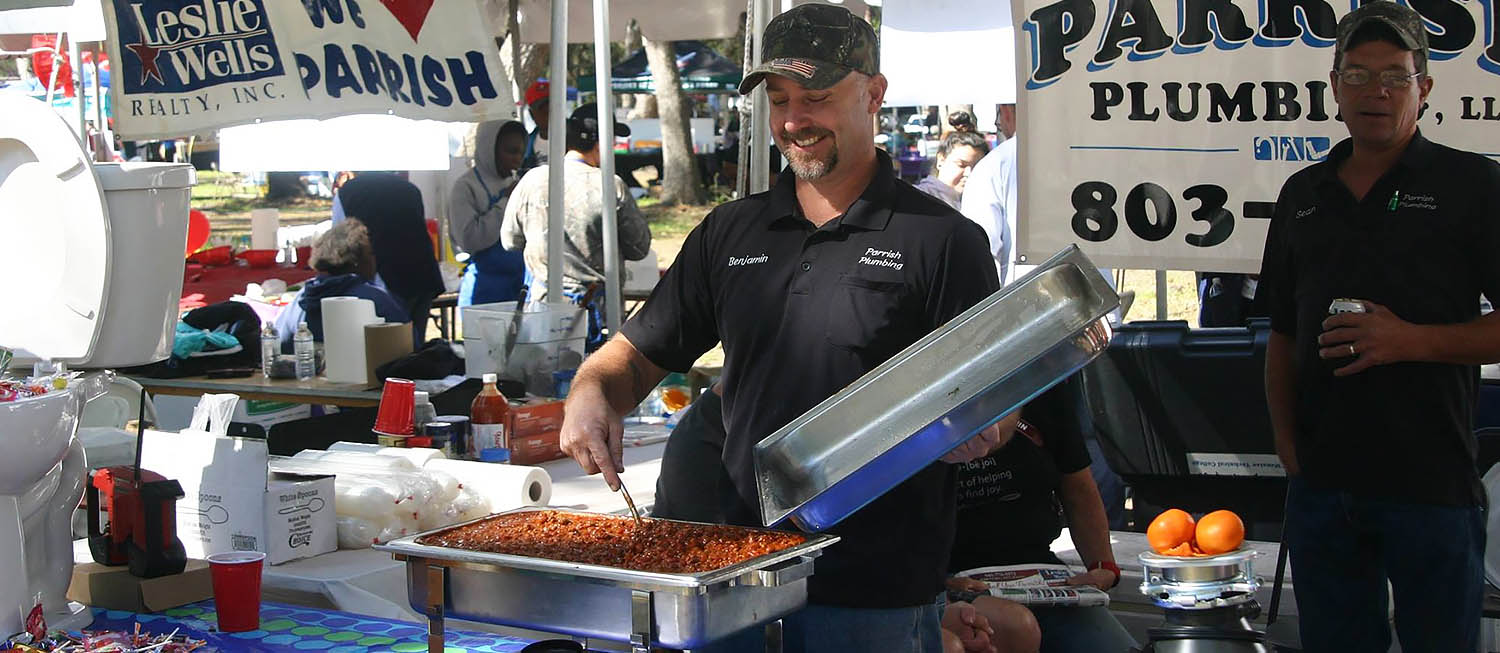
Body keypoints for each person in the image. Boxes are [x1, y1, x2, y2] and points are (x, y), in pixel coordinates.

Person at [557, 6, 1006, 652]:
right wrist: (592, 390)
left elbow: (1000, 401)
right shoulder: (730, 231)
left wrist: (986, 426)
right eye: (779, 99)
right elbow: (635, 353)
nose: (795, 120)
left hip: (873, 601)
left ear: (874, 94)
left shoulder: (942, 241)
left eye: (816, 98)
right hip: (738, 582)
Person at [1258, 3, 1500, 650]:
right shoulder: (1303, 194)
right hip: (1323, 489)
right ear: (1334, 87)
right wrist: (1288, 446)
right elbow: (1281, 333)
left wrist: (1411, 340)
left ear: (1424, 88)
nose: (1377, 91)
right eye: (1359, 75)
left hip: (1432, 485)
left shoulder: (1473, 185)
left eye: (1395, 74)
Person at [946, 380, 1136, 653]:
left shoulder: (1043, 386)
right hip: (947, 577)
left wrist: (1104, 566)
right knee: (1015, 626)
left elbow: (1078, 486)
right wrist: (936, 586)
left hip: (1039, 573)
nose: (986, 446)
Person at [502, 102, 652, 348]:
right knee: (593, 383)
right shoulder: (609, 185)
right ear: (600, 142)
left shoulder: (533, 180)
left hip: (541, 310)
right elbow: (639, 247)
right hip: (598, 312)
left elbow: (510, 241)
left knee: (543, 383)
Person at [337, 172, 445, 348]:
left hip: (384, 278)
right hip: (422, 273)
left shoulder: (347, 192)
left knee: (390, 350)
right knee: (414, 346)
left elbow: (340, 241)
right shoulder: (409, 189)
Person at [275, 219, 409, 351]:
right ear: (359, 261)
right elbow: (409, 349)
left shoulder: (299, 299)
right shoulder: (377, 301)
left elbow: (276, 344)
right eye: (371, 254)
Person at [450, 120, 529, 306]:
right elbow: (469, 240)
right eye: (510, 151)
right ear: (489, 149)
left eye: (520, 152)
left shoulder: (516, 182)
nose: (517, 159)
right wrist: (505, 202)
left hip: (518, 287)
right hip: (484, 291)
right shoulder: (466, 187)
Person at [960, 105, 1021, 284]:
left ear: (1006, 111)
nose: (998, 123)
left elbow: (981, 252)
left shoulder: (994, 164)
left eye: (999, 116)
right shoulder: (1087, 153)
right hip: (1097, 300)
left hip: (1025, 304)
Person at [915, 130, 990, 210]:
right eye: (961, 165)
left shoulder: (983, 200)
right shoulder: (919, 198)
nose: (968, 173)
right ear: (941, 160)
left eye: (976, 168)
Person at [521, 80, 551, 172]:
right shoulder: (524, 147)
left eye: (551, 107)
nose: (548, 113)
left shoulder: (575, 141)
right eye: (541, 109)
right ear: (531, 114)